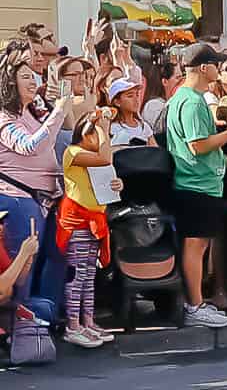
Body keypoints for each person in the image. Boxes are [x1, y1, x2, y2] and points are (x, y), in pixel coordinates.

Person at [164, 43, 227, 329]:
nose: (219, 69)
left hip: (200, 184)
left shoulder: (183, 97)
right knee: (195, 246)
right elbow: (197, 146)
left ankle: (196, 303)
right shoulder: (193, 101)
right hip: (195, 184)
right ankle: (194, 305)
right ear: (204, 67)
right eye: (216, 63)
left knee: (200, 245)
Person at [0, 43, 71, 326]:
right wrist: (59, 113)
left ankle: (42, 322)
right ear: (10, 80)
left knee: (56, 257)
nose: (35, 81)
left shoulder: (32, 112)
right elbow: (30, 146)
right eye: (26, 76)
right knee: (22, 268)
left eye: (35, 75)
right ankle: (18, 330)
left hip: (47, 199)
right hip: (19, 200)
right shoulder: (4, 117)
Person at [57, 109, 122, 347]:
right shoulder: (73, 152)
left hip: (95, 220)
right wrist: (103, 127)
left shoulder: (93, 156)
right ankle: (73, 325)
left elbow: (107, 178)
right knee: (77, 274)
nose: (101, 139)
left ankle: (88, 321)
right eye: (95, 135)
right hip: (77, 221)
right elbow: (106, 158)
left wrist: (117, 183)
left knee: (89, 275)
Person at [106, 77, 157, 147]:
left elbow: (155, 151)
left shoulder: (144, 126)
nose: (136, 99)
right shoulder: (112, 128)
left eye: (137, 95)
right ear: (117, 102)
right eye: (130, 96)